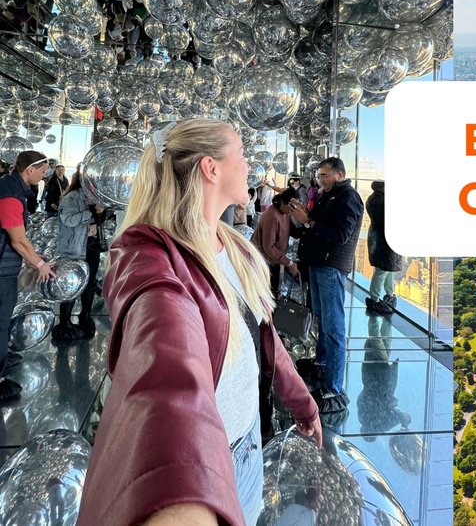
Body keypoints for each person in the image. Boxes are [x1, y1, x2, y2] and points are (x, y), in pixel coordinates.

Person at [79, 119, 321, 526]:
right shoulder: (149, 258)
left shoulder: (237, 247)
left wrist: (302, 402)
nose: (250, 165)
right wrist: (181, 492)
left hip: (247, 449)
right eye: (242, 155)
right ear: (212, 168)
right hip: (205, 467)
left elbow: (263, 336)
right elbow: (165, 371)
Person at [290, 158, 363, 413]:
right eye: (319, 176)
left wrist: (308, 221)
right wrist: (304, 216)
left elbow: (340, 235)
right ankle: (322, 362)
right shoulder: (328, 196)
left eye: (325, 176)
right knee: (322, 319)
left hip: (331, 268)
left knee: (333, 327)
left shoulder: (348, 198)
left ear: (340, 174)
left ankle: (334, 387)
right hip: (319, 265)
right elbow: (319, 226)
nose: (321, 180)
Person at [0, 150, 55, 401]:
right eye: (42, 171)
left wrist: (37, 255)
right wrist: (40, 263)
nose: (45, 175)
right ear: (29, 170)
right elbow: (18, 241)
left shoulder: (14, 189)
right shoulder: (11, 195)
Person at [53, 168, 111, 341]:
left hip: (91, 247)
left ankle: (85, 315)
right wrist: (90, 213)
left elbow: (102, 221)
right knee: (71, 285)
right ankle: (65, 322)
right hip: (74, 249)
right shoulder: (71, 197)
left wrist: (101, 212)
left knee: (90, 283)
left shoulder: (96, 198)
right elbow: (68, 220)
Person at [251, 188, 301, 298]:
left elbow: (294, 232)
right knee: (267, 295)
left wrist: (304, 220)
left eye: (295, 206)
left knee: (275, 292)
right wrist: (290, 263)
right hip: (264, 261)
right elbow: (269, 248)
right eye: (291, 206)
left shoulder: (286, 213)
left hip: (274, 260)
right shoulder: (272, 216)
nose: (293, 209)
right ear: (283, 202)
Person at [365, 180, 401, 315]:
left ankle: (388, 294)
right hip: (385, 239)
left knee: (387, 268)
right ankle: (375, 298)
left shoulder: (372, 200)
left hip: (377, 236)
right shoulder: (384, 203)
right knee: (383, 270)